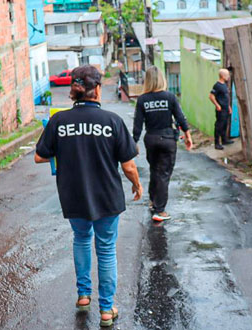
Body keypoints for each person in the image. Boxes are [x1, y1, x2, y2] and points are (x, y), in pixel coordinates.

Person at [34, 65, 143, 327]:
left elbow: (40, 156)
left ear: (74, 90)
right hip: (107, 197)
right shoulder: (112, 121)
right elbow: (128, 165)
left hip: (74, 195)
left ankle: (84, 295)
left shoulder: (59, 121)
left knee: (81, 239)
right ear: (96, 90)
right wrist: (137, 185)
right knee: (105, 249)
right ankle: (106, 310)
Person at [133, 66, 193, 222]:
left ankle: (153, 201)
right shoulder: (170, 97)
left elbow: (138, 124)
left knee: (155, 170)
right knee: (164, 174)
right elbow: (180, 118)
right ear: (162, 79)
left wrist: (134, 142)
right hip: (167, 139)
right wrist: (188, 136)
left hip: (151, 139)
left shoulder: (142, 99)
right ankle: (160, 210)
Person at [209, 68, 233, 150]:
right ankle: (217, 143)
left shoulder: (224, 85)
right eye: (227, 75)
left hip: (226, 108)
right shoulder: (217, 85)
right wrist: (217, 105)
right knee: (219, 126)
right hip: (221, 110)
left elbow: (226, 97)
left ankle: (224, 140)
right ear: (222, 76)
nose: (228, 77)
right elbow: (211, 96)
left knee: (225, 125)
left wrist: (229, 107)